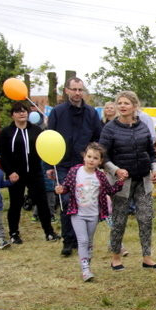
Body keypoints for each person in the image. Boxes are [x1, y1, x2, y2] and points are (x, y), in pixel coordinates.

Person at [99, 91, 156, 271]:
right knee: (119, 220)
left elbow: (150, 153)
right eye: (120, 103)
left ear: (135, 106)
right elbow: (103, 155)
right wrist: (115, 170)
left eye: (126, 103)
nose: (122, 106)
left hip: (143, 179)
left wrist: (154, 169)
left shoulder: (142, 127)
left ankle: (147, 257)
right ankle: (116, 257)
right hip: (121, 182)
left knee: (146, 218)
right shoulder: (110, 128)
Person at [47, 77, 102, 256]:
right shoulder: (57, 112)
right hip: (62, 164)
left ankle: (82, 240)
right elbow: (48, 138)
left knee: (83, 201)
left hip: (84, 165)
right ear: (67, 90)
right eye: (74, 89)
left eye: (80, 90)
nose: (78, 93)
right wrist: (49, 165)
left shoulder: (91, 113)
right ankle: (68, 241)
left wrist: (95, 161)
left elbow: (97, 137)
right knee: (66, 200)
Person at [55, 143, 124, 282]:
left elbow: (109, 191)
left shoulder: (100, 176)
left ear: (100, 161)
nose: (91, 160)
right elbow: (67, 187)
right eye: (89, 156)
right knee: (83, 240)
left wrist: (120, 183)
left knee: (90, 242)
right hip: (77, 213)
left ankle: (87, 260)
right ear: (84, 156)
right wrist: (61, 189)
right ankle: (85, 269)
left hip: (93, 214)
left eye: (95, 158)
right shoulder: (75, 171)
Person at [0, 101, 60, 244]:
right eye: (18, 111)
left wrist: (49, 166)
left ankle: (49, 232)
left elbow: (44, 149)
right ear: (12, 115)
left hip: (35, 173)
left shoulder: (36, 131)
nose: (22, 113)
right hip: (16, 175)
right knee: (15, 204)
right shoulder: (6, 133)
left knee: (42, 202)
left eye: (24, 110)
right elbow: (3, 154)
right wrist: (10, 171)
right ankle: (14, 234)